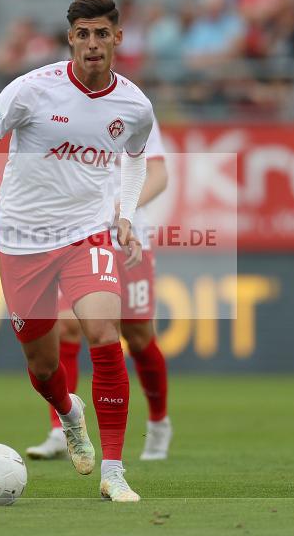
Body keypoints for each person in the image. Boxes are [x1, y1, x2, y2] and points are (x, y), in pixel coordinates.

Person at [0, 0, 153, 502]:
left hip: (87, 233)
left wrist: (126, 216)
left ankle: (114, 472)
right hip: (23, 240)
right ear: (70, 39)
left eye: (101, 33)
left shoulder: (134, 106)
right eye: (83, 34)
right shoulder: (31, 89)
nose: (92, 43)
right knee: (43, 369)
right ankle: (68, 411)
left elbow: (135, 159)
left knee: (104, 333)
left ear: (117, 38)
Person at [26, 116, 171, 462]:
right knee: (66, 325)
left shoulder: (134, 111)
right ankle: (61, 429)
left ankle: (159, 422)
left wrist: (125, 208)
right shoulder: (65, 113)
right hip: (82, 238)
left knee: (138, 337)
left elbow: (158, 174)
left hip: (127, 237)